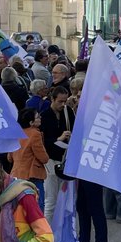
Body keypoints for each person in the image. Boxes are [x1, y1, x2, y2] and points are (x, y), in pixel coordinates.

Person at [39, 86, 74, 219]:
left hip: (64, 158)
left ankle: (60, 232)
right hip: (50, 160)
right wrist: (58, 139)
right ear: (52, 99)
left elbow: (74, 127)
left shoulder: (68, 111)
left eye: (65, 101)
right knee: (50, 200)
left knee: (65, 199)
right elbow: (41, 140)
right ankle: (47, 234)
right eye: (60, 101)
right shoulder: (44, 115)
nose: (63, 104)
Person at [10, 108, 50, 210]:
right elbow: (44, 158)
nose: (40, 118)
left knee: (19, 208)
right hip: (32, 176)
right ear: (31, 122)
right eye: (37, 117)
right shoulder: (35, 134)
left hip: (16, 174)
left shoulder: (16, 133)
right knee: (37, 207)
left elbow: (9, 158)